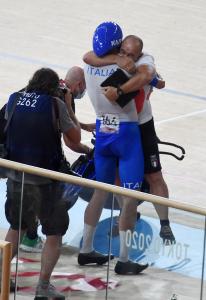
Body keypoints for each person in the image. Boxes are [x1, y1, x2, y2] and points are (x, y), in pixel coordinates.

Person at [78, 22, 154, 275]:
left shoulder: (91, 64)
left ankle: (86, 248)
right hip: (127, 134)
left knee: (100, 192)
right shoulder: (129, 65)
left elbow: (88, 55)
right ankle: (124, 259)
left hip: (103, 130)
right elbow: (145, 76)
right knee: (129, 199)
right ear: (120, 45)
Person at [84, 35, 175, 244]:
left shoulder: (145, 61)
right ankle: (128, 213)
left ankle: (165, 224)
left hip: (141, 126)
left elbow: (151, 79)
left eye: (130, 54)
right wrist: (117, 60)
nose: (125, 56)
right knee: (116, 177)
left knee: (154, 176)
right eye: (122, 51)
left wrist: (121, 90)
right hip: (115, 124)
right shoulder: (115, 57)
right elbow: (88, 57)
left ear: (139, 55)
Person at [4, 68, 81, 298]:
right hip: (47, 181)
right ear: (53, 87)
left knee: (17, 227)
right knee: (54, 233)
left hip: (16, 175)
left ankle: (1, 277)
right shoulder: (55, 105)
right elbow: (74, 139)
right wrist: (67, 104)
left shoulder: (14, 99)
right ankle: (43, 286)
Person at [19, 66, 95, 253]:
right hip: (41, 159)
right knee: (70, 186)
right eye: (84, 86)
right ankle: (33, 234)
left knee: (22, 204)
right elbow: (72, 141)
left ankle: (28, 234)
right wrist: (88, 150)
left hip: (16, 154)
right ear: (79, 84)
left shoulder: (39, 88)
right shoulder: (64, 97)